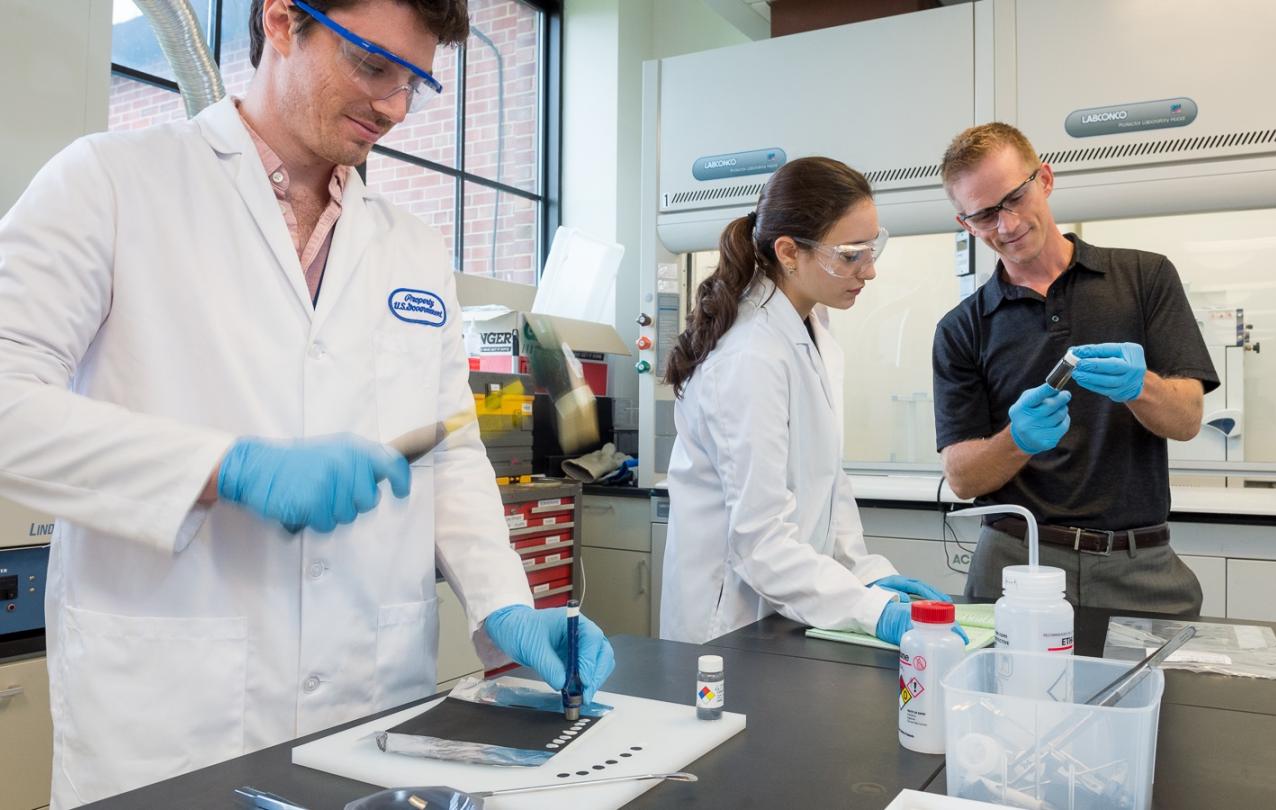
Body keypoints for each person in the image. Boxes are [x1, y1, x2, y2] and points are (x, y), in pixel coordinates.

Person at [0, 1, 612, 806]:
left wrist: (502, 604)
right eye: (372, 66)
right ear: (283, 20)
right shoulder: (110, 182)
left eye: (416, 81)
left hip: (373, 701)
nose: (394, 106)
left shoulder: (412, 248)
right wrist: (225, 469)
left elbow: (452, 450)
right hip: (173, 718)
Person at [659, 156, 953, 645]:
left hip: (786, 607)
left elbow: (826, 486)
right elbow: (760, 540)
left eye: (873, 247)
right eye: (851, 254)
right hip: (729, 621)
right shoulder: (750, 354)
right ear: (789, 252)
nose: (871, 270)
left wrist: (865, 573)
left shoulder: (809, 327)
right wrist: (869, 610)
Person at [932, 122, 1219, 615]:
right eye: (984, 216)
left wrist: (1140, 387)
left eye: (1014, 198)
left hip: (1139, 565)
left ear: (1044, 179)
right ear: (966, 224)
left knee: (1160, 693)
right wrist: (1015, 439)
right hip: (1016, 562)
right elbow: (962, 479)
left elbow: (1187, 420)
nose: (1006, 225)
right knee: (1003, 693)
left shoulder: (1144, 278)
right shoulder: (963, 328)